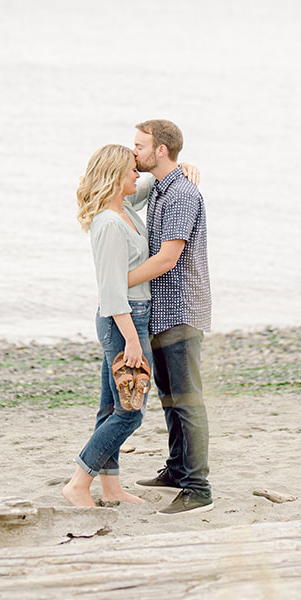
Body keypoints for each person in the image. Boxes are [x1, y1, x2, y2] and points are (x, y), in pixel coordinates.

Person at [126, 118, 213, 515]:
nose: (134, 153)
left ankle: (198, 488)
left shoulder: (179, 195)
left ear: (161, 149)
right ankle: (178, 470)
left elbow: (167, 258)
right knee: (170, 398)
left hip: (180, 309)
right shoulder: (162, 187)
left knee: (188, 402)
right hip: (161, 311)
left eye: (140, 146)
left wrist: (118, 283)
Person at [61, 144, 153, 508]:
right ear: (117, 177)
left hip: (128, 317)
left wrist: (181, 167)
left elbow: (153, 181)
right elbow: (113, 289)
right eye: (132, 169)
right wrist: (131, 339)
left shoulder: (125, 208)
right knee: (130, 412)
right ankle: (78, 484)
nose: (138, 174)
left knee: (109, 409)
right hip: (125, 320)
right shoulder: (111, 223)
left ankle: (111, 488)